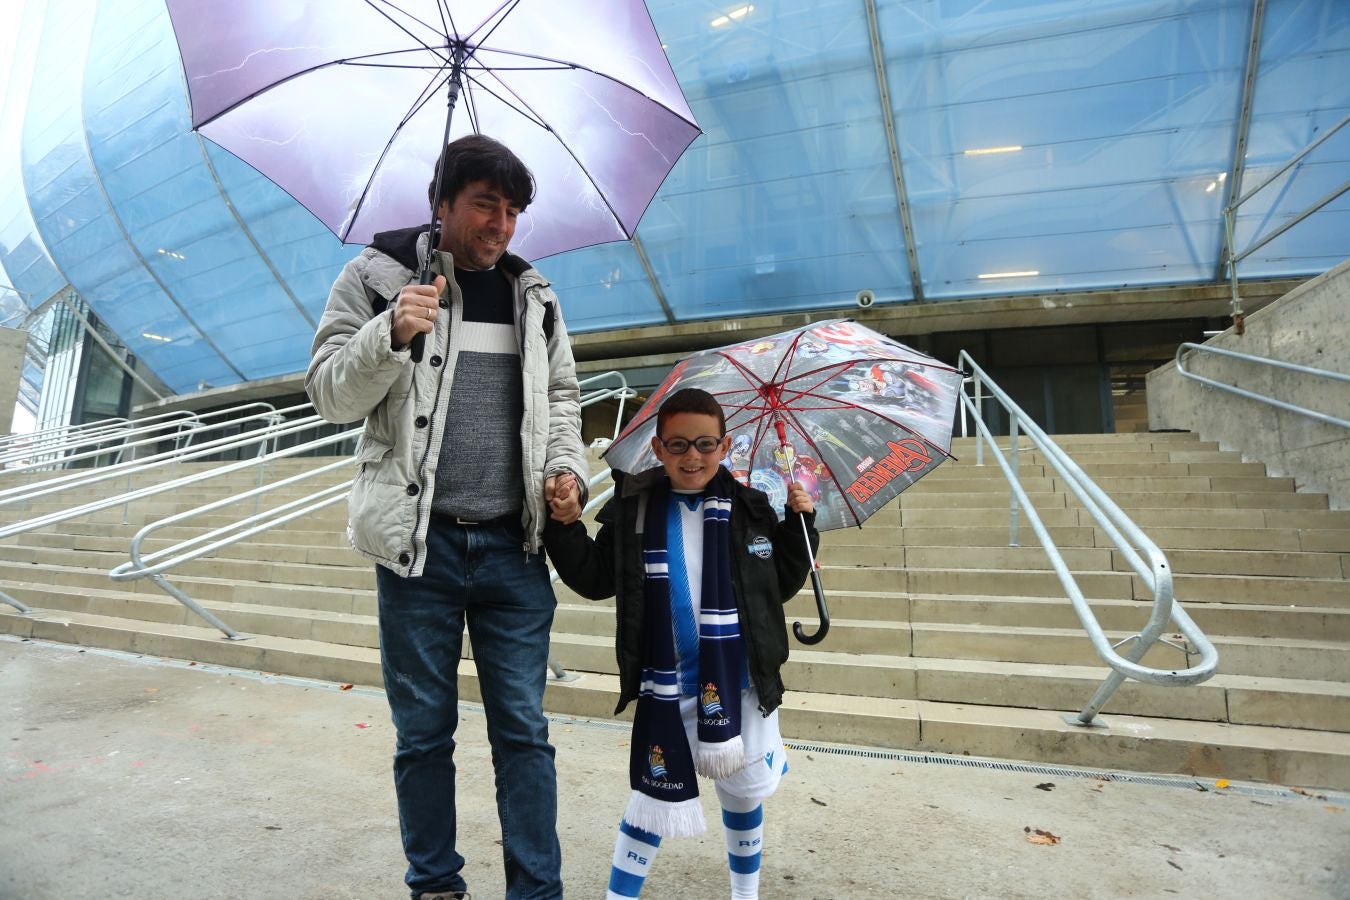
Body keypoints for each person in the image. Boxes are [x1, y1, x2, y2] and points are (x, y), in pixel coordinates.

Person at [307, 134, 586, 900]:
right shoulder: (376, 278)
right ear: (442, 205)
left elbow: (562, 401)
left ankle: (537, 889)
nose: (500, 224)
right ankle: (435, 883)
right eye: (484, 205)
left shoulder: (537, 296)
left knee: (524, 735)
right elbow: (329, 394)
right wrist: (390, 331)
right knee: (424, 735)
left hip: (514, 550)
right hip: (417, 553)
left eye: (512, 210)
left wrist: (567, 473)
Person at [544, 388, 819, 900]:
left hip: (739, 682)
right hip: (666, 682)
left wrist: (802, 526)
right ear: (657, 446)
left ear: (725, 445)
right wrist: (564, 526)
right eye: (678, 445)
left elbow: (775, 586)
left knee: (741, 796)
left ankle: (745, 893)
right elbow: (597, 577)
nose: (692, 456)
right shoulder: (634, 508)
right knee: (652, 796)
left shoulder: (752, 507)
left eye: (705, 444)